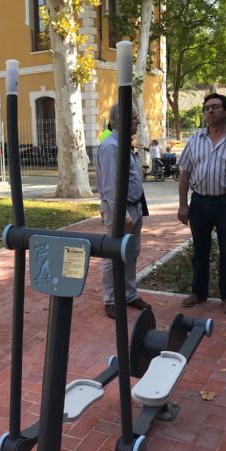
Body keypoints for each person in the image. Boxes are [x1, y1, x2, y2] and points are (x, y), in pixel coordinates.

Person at [177, 93, 226, 314]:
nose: (210, 111)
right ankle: (198, 292)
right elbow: (185, 173)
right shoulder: (194, 139)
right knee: (199, 251)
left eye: (215, 107)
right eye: (206, 108)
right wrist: (183, 204)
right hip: (199, 203)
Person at [96, 103, 151, 319]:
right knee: (112, 257)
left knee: (131, 253)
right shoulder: (111, 146)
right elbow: (110, 187)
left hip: (134, 206)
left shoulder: (125, 144)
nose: (138, 121)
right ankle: (110, 300)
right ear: (124, 119)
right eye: (134, 117)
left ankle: (129, 295)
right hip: (120, 211)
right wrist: (123, 215)